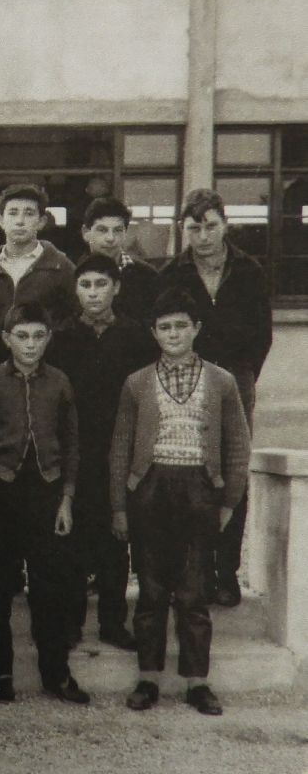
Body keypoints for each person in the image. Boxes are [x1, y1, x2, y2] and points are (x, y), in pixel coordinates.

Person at [111, 289, 251, 716]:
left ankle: (197, 682)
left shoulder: (222, 381)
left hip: (198, 490)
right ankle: (148, 678)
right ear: (154, 333)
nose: (173, 334)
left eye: (181, 326)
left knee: (193, 591)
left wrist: (228, 500)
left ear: (196, 329)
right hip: (150, 489)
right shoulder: (136, 383)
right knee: (151, 590)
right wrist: (119, 504)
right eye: (165, 327)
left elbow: (237, 446)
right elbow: (120, 447)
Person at [0, 302, 88, 706]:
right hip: (0, 491)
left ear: (49, 337)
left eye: (38, 335)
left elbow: (72, 446)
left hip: (47, 492)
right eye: (21, 336)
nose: (30, 344)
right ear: (5, 339)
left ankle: (56, 672)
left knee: (49, 588)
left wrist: (67, 499)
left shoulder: (60, 383)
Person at [158, 188, 272, 608]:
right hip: (190, 381)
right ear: (183, 229)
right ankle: (198, 571)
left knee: (232, 472)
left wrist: (241, 378)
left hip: (236, 379)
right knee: (194, 470)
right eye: (194, 227)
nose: (203, 236)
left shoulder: (249, 270)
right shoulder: (173, 273)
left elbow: (263, 333)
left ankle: (227, 572)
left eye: (210, 226)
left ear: (224, 224)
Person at [46, 254, 157, 651]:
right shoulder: (61, 337)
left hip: (119, 448)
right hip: (75, 449)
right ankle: (71, 622)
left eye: (101, 284)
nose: (93, 293)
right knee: (72, 535)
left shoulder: (136, 337)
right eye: (86, 285)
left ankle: (113, 621)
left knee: (116, 534)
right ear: (76, 290)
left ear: (117, 288)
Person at [0, 184, 76, 366]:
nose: (20, 221)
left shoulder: (62, 267)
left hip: (47, 372)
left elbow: (74, 320)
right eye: (13, 213)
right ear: (1, 220)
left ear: (41, 221)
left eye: (29, 213)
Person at [79, 197, 160, 328]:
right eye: (102, 230)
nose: (110, 238)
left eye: (117, 230)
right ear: (86, 233)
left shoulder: (148, 277)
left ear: (125, 233)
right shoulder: (73, 275)